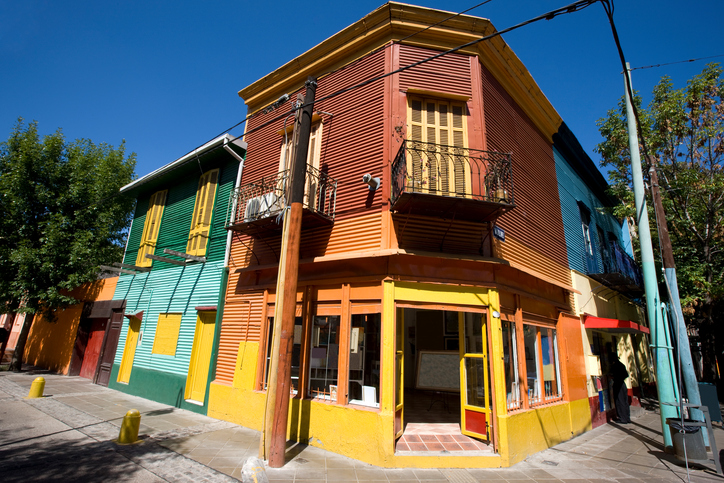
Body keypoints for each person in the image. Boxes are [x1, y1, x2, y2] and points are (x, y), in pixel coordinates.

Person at [610, 352, 631, 424]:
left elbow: (611, 375)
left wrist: (615, 377)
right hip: (623, 384)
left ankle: (622, 418)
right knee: (625, 401)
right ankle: (627, 418)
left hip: (618, 384)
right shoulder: (622, 365)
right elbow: (626, 375)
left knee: (619, 401)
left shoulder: (614, 366)